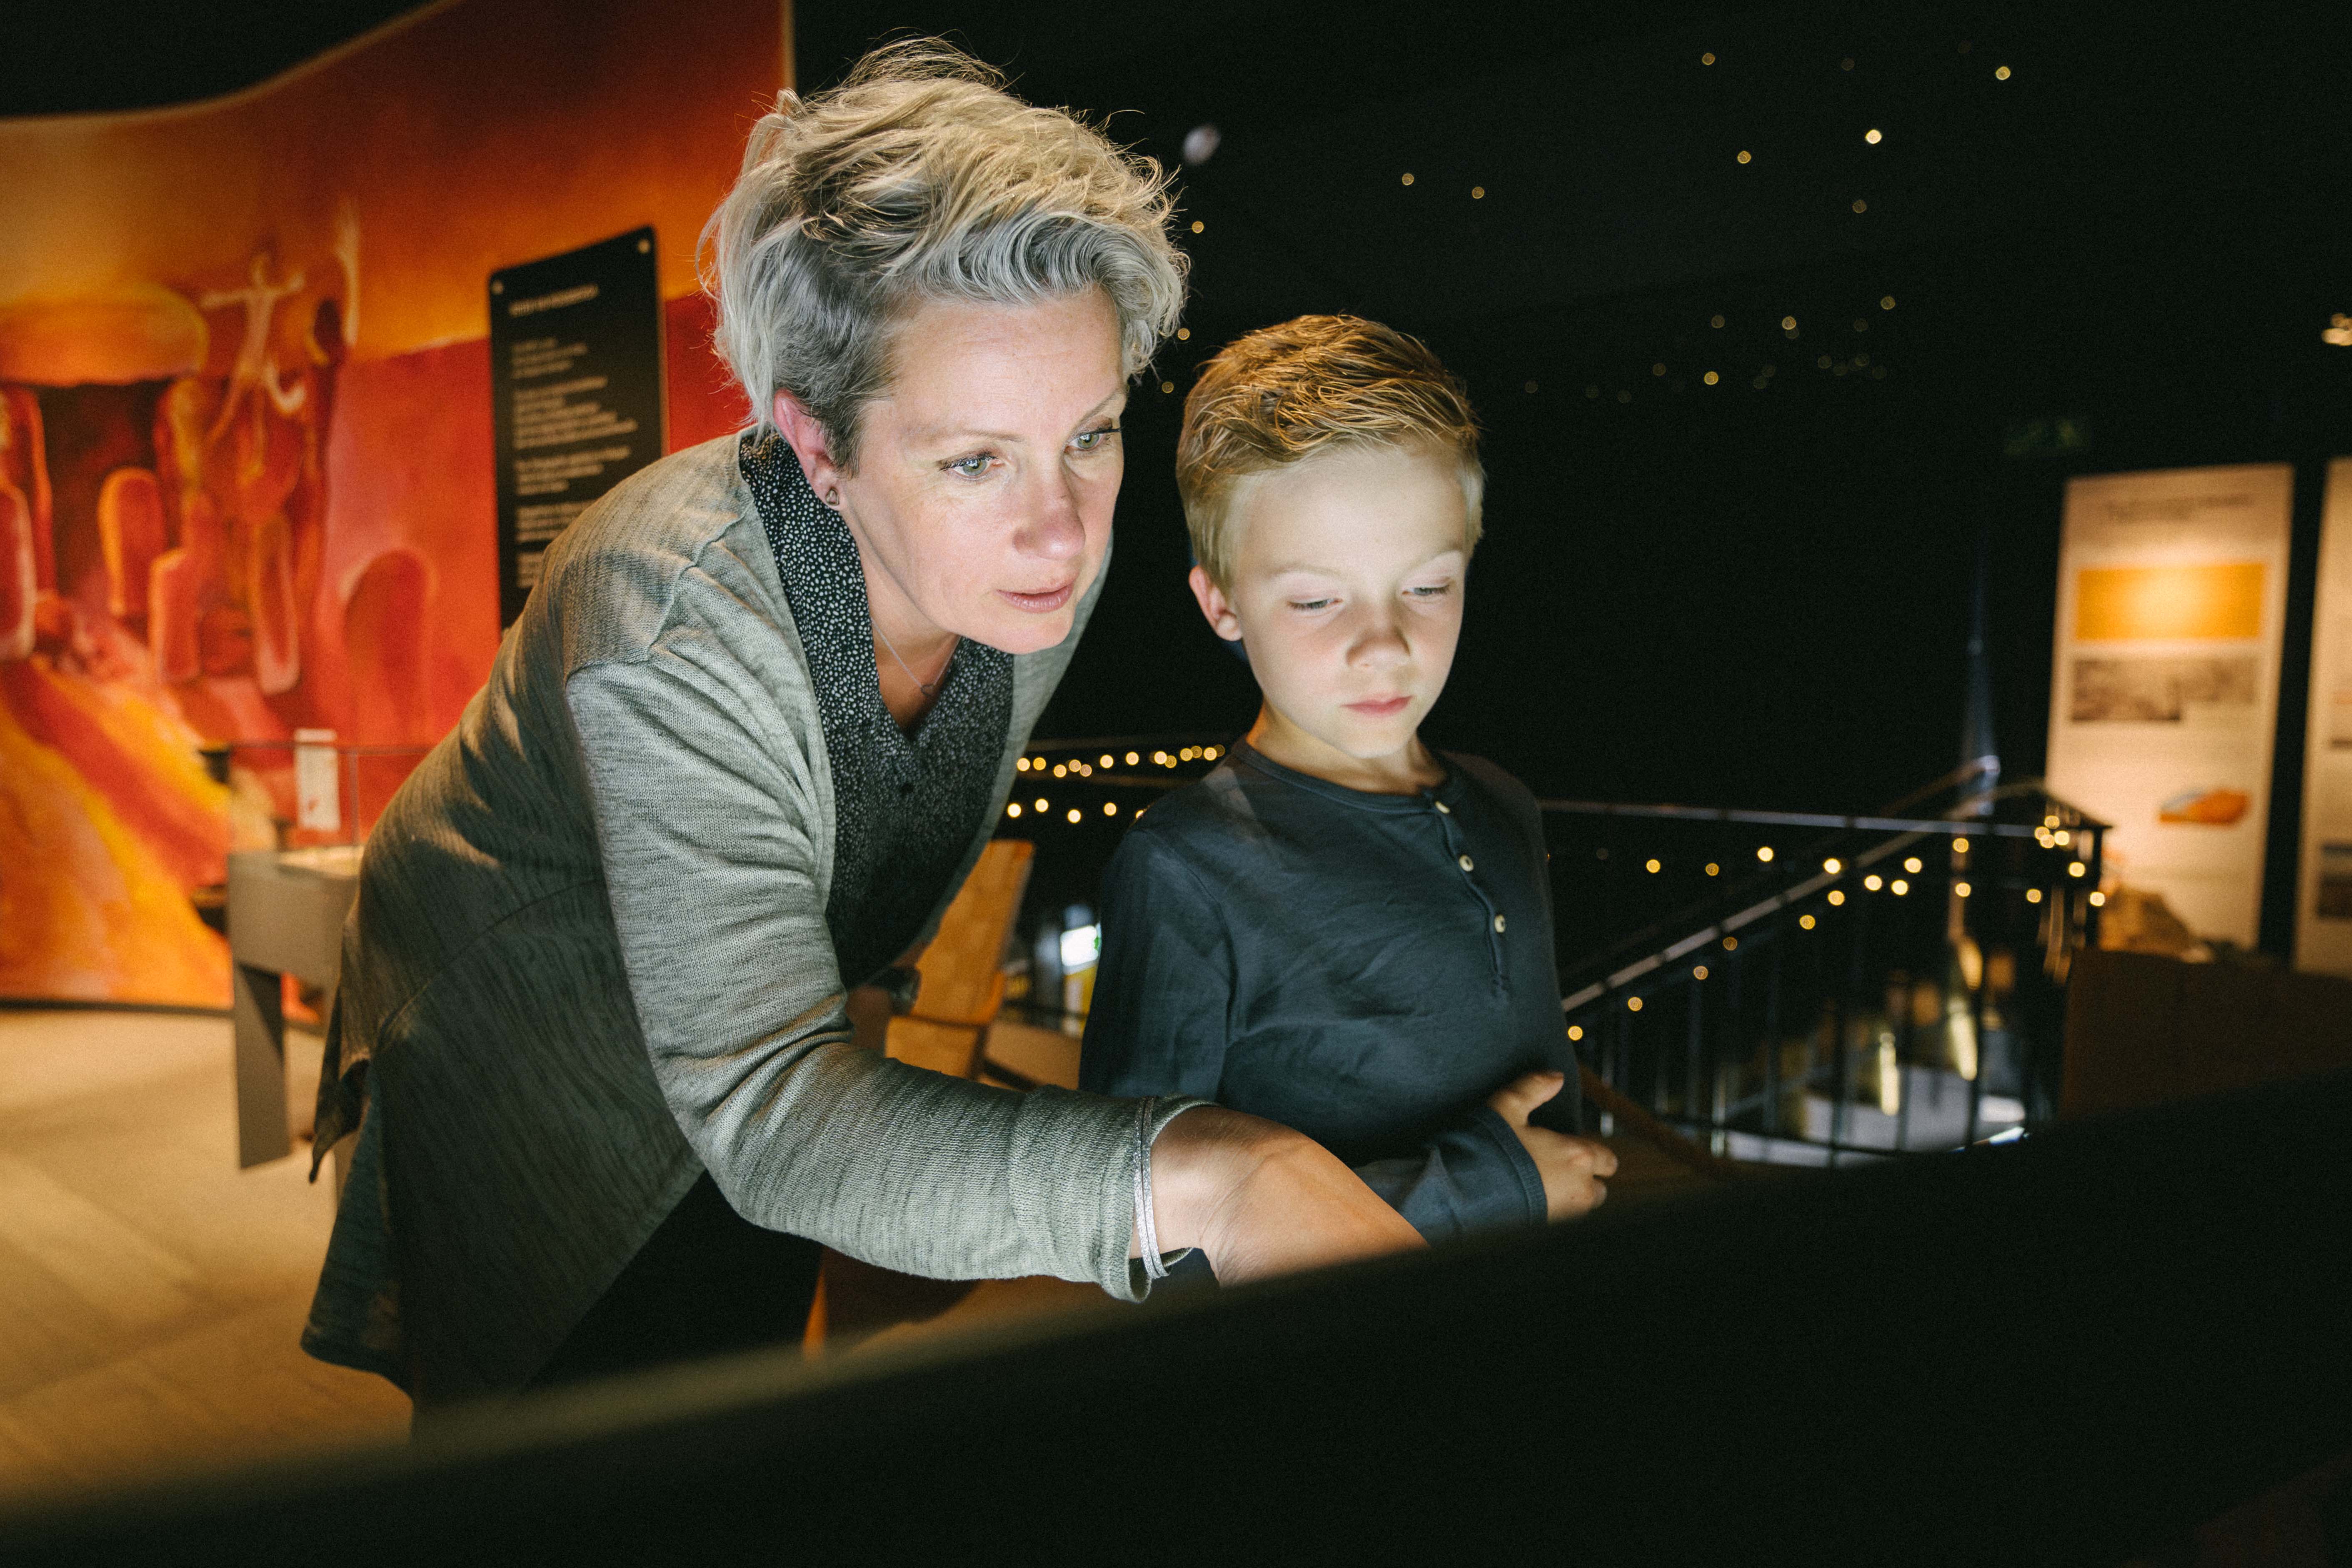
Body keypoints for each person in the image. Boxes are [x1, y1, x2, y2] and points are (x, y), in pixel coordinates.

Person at [301, 47, 1421, 1408]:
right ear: (816, 447)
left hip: (755, 1009)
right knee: (571, 1386)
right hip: (525, 986)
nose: (1062, 528)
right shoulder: (668, 615)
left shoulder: (1029, 568)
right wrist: (1217, 1180)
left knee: (747, 1344)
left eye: (1090, 434)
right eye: (972, 460)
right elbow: (772, 1116)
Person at [1080, 316, 1615, 1258]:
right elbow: (1130, 1228)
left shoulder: (1502, 804)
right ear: (1221, 604)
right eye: (1318, 599)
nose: (1385, 645)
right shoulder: (1185, 868)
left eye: (1426, 586)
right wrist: (1487, 1190)